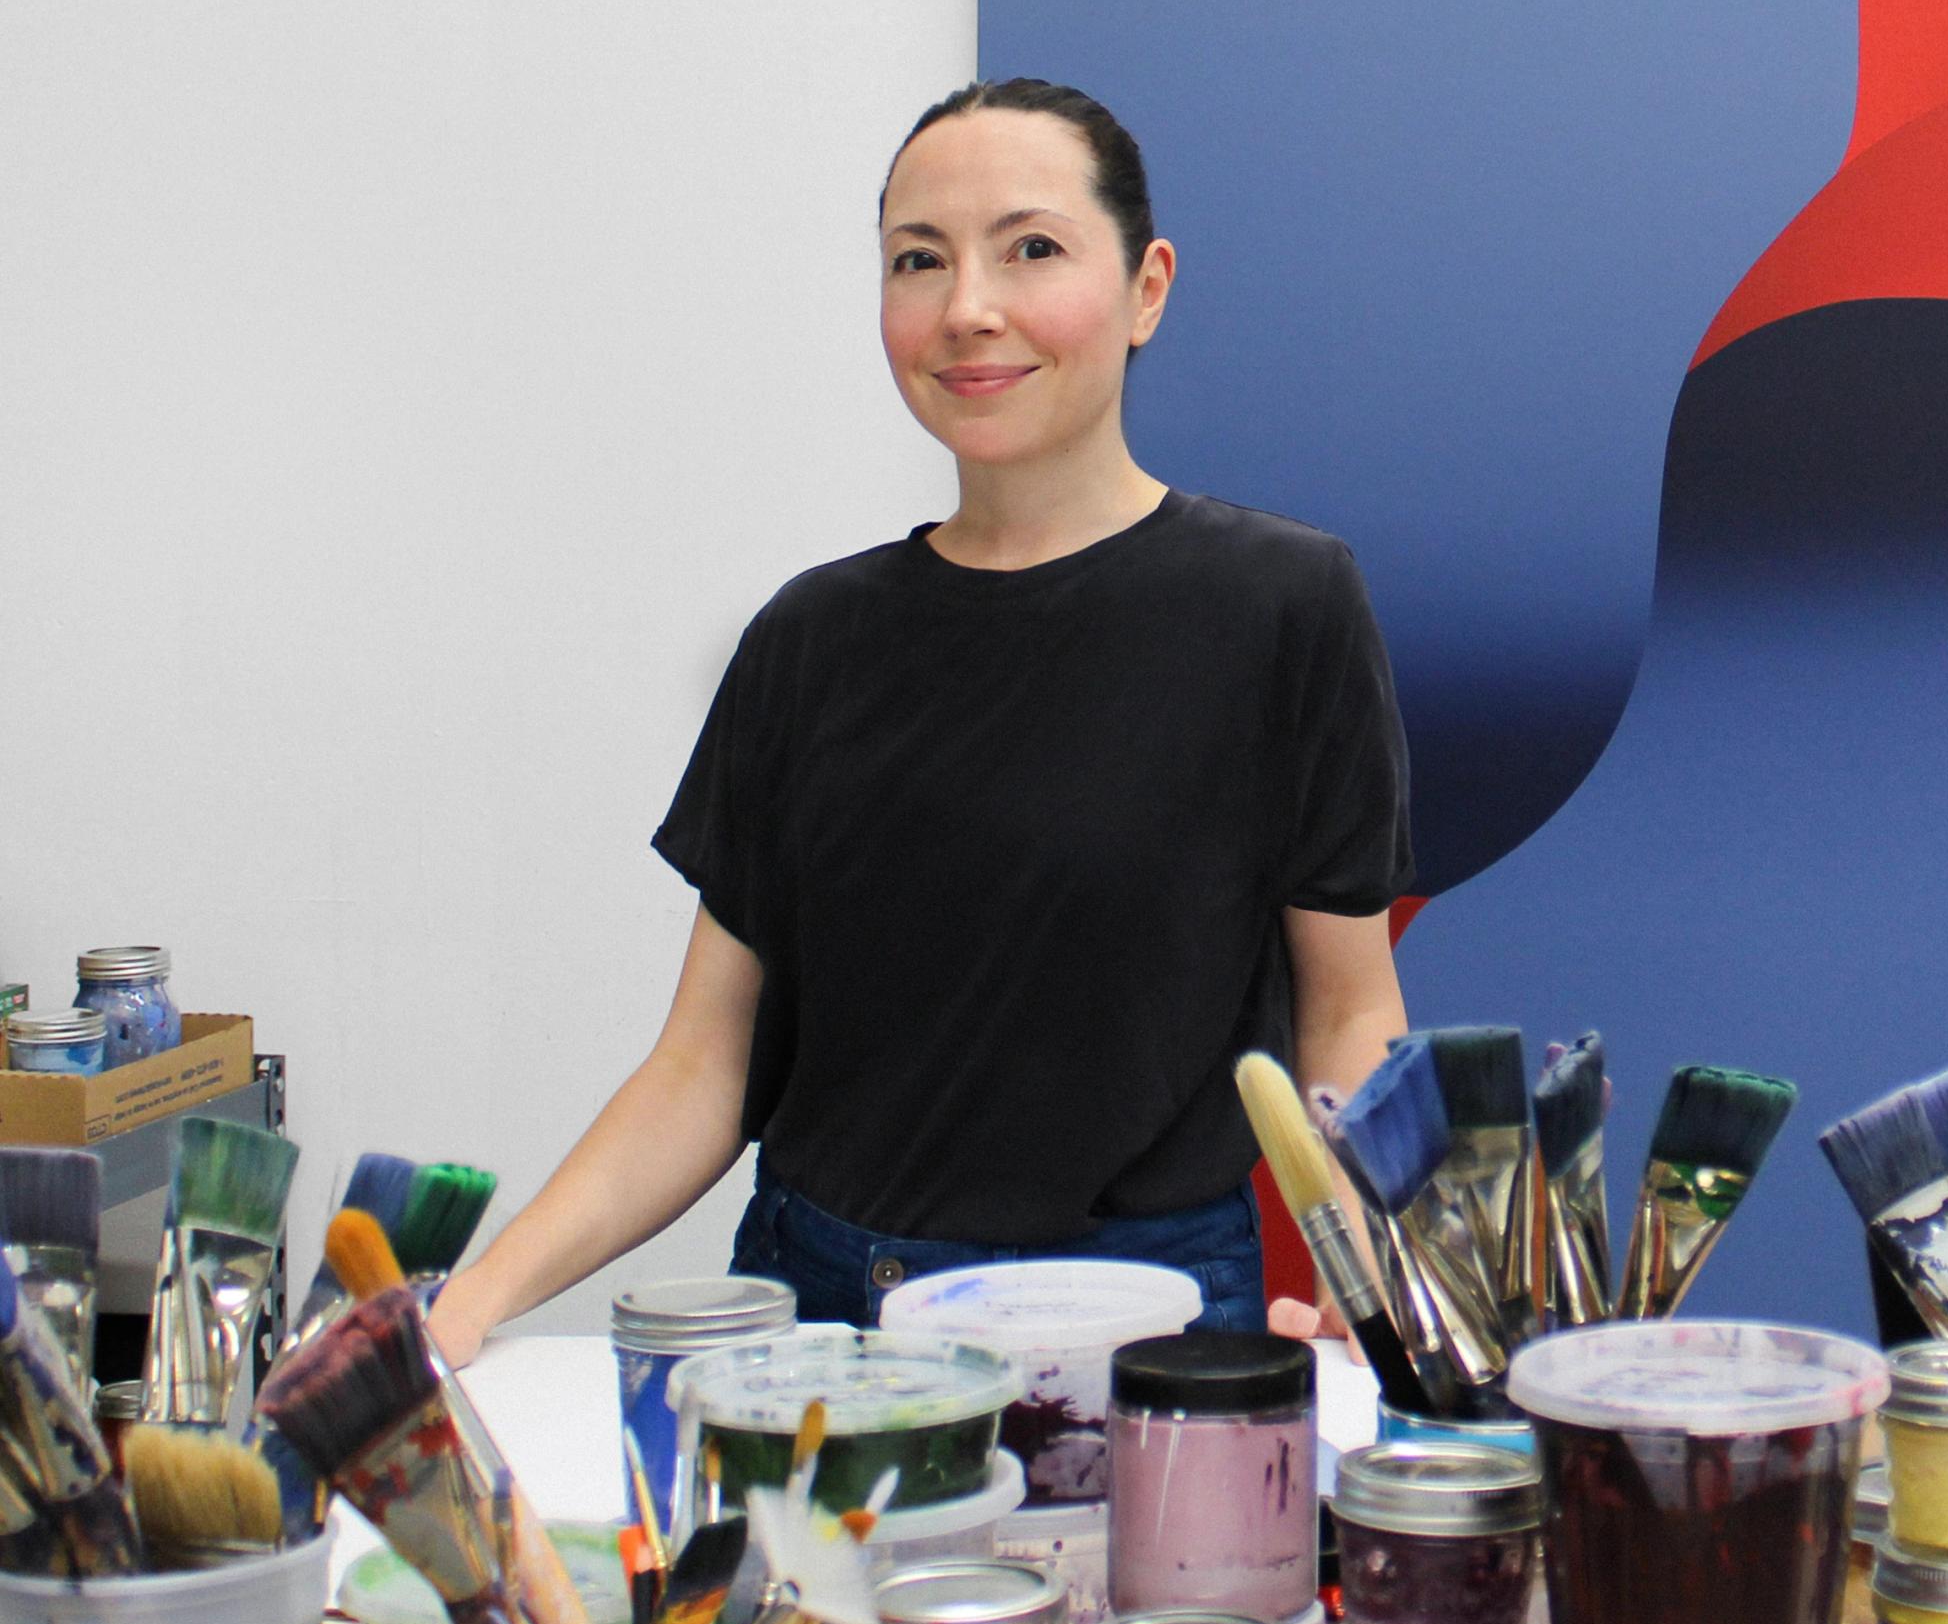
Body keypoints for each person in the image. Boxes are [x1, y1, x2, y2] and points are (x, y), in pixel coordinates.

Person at [431, 79, 1410, 1364]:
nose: (968, 310)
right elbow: (705, 1066)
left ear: (1148, 286)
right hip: (826, 1318)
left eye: (1033, 249)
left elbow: (1346, 1014)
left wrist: (1376, 1266)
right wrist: (468, 1301)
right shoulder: (809, 641)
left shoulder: (1283, 605)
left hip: (1149, 1329)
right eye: (918, 260)